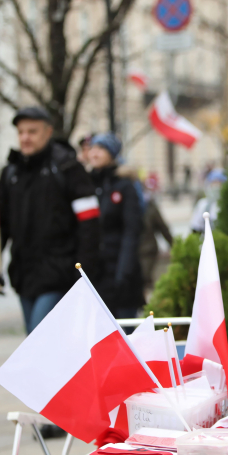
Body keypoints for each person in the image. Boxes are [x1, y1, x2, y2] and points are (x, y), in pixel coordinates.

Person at [0, 106, 100, 334]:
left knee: (38, 337)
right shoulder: (11, 173)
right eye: (21, 132)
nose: (25, 138)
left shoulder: (67, 168)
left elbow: (90, 226)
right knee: (38, 346)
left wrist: (84, 272)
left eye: (32, 131)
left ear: (47, 132)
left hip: (61, 274)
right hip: (24, 274)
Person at [86, 133, 145, 319]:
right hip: (94, 275)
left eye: (101, 149)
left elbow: (132, 231)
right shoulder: (85, 184)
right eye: (92, 148)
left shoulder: (124, 186)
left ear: (112, 154)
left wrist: (124, 273)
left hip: (121, 275)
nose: (94, 153)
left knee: (124, 334)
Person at [140, 177, 173, 291]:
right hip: (139, 250)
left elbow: (162, 227)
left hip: (146, 250)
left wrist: (173, 246)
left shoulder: (149, 206)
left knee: (145, 282)